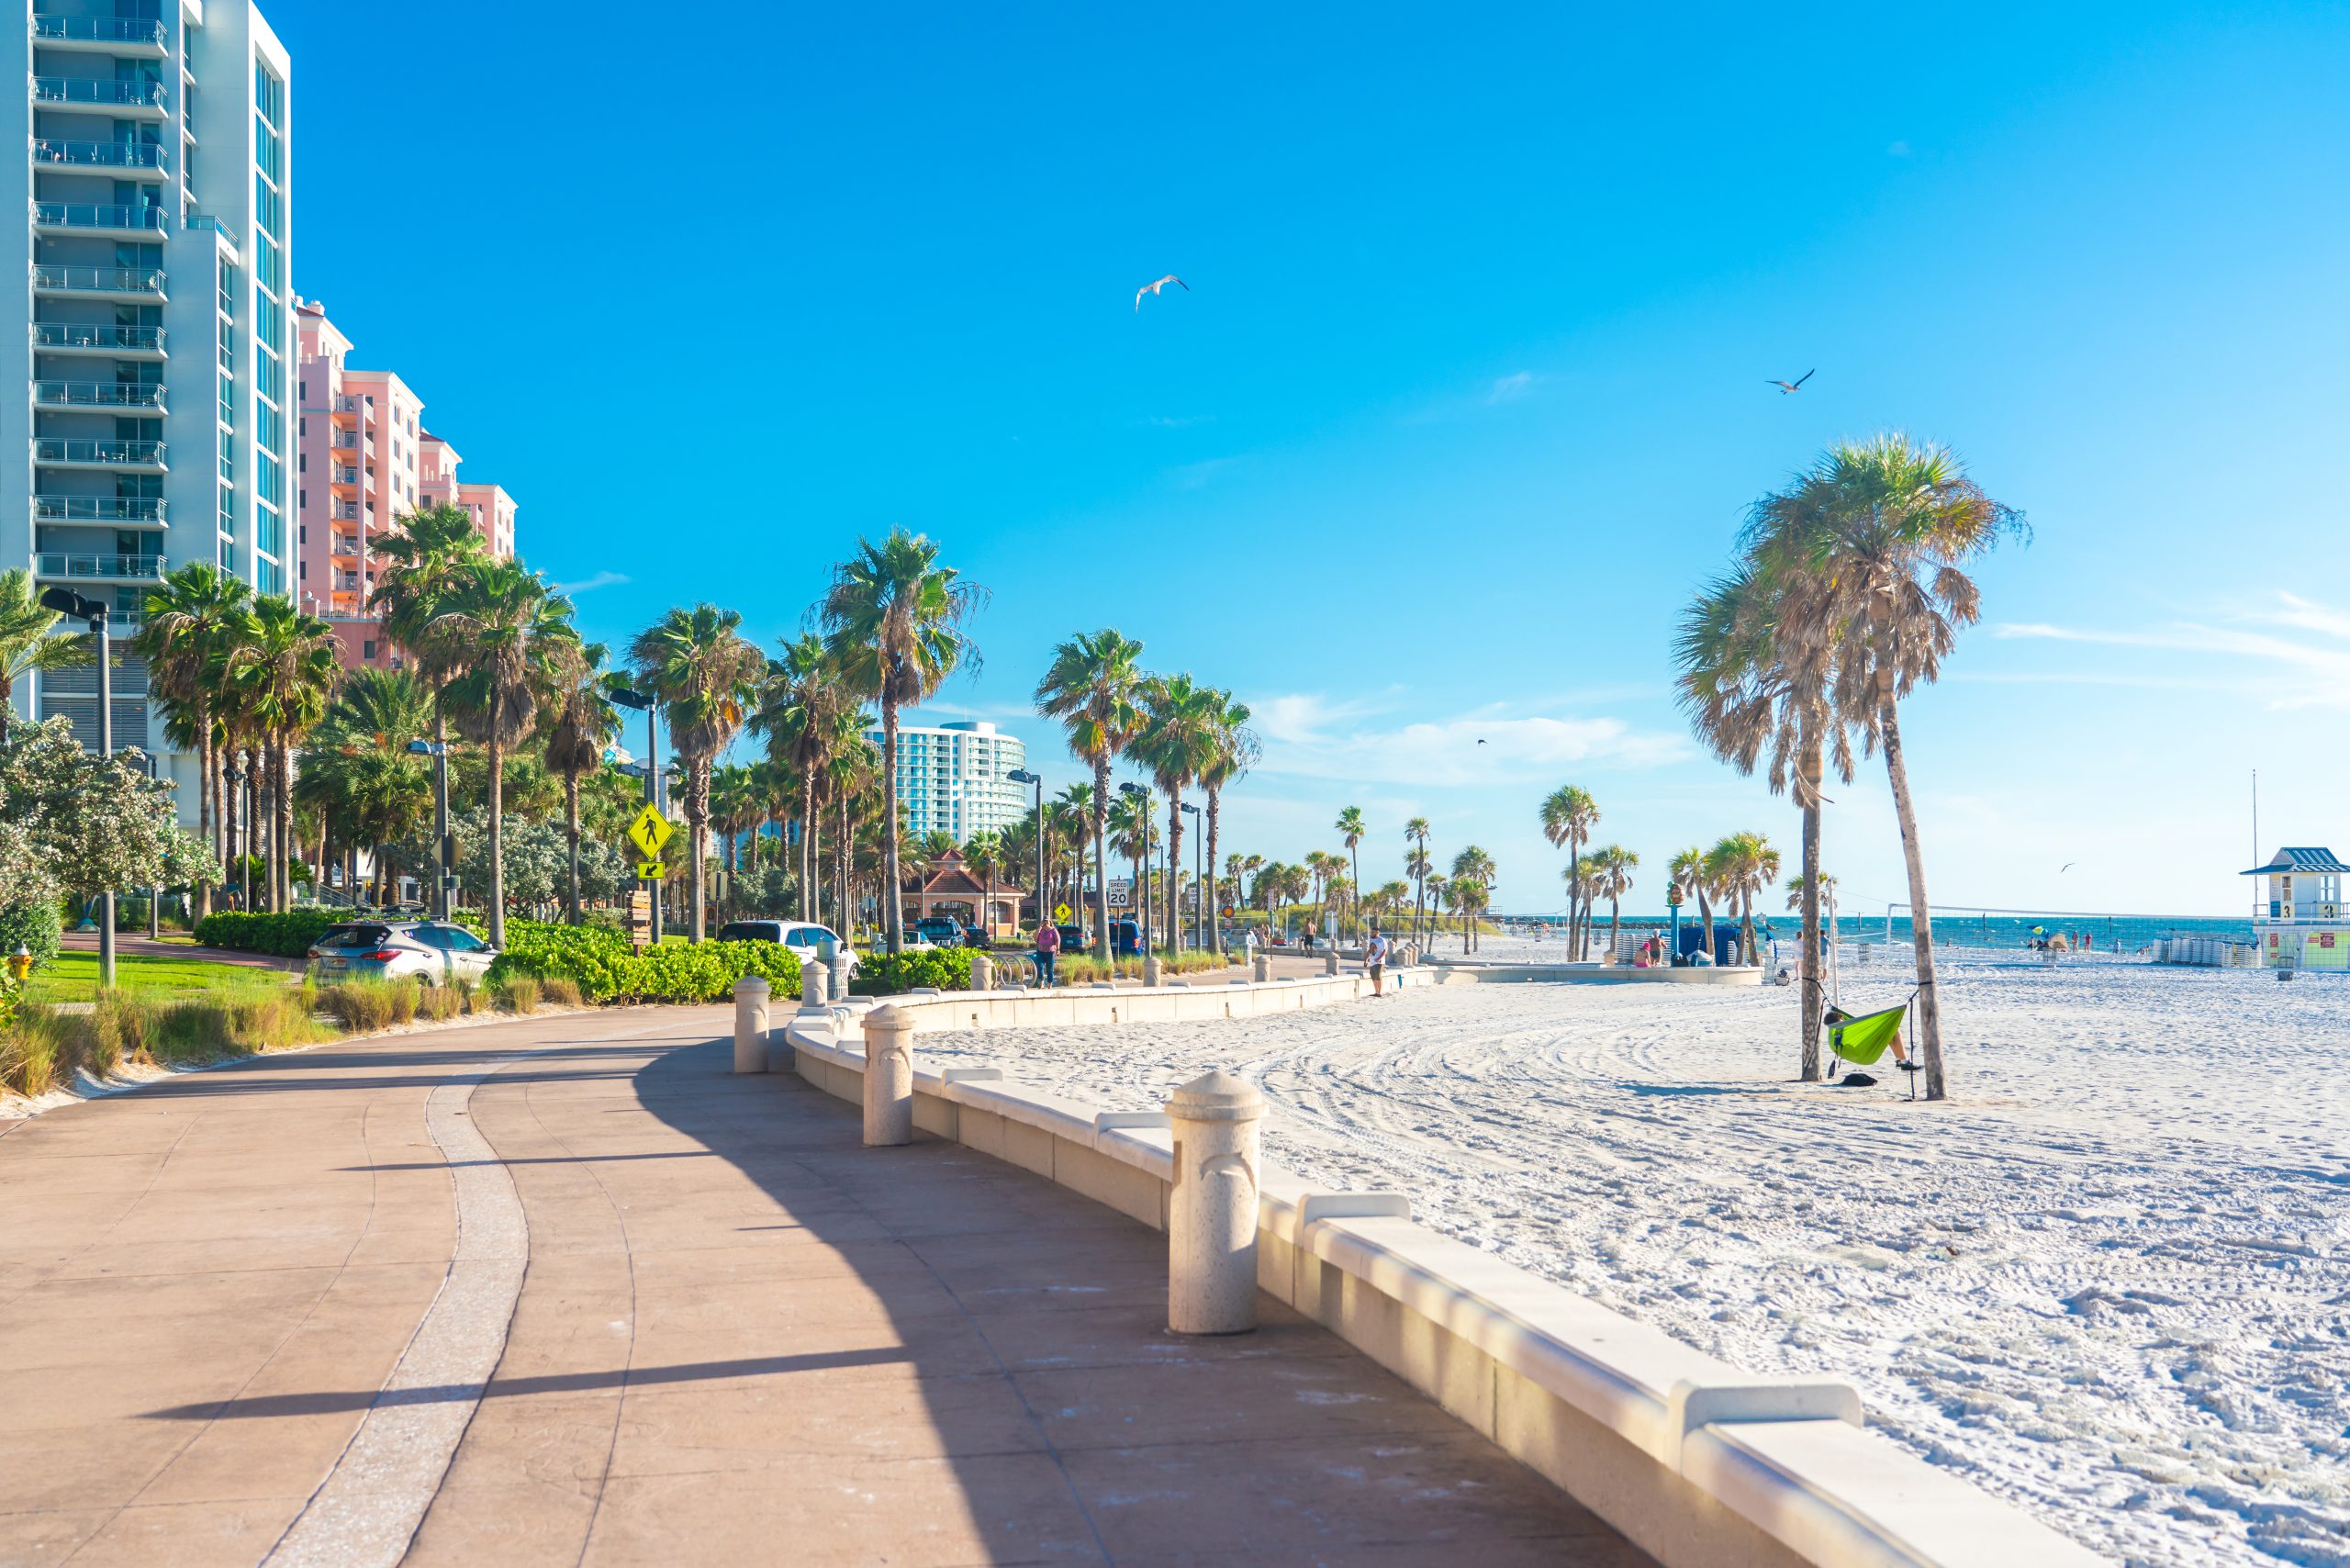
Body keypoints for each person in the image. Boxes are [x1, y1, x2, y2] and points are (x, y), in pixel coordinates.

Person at [1034, 919, 1060, 988]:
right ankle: (1041, 983)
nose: (1045, 922)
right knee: (1040, 967)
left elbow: (1057, 940)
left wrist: (1058, 949)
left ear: (1050, 922)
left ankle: (1050, 983)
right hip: (1040, 951)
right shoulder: (1040, 930)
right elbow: (1035, 938)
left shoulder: (1053, 930)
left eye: (1047, 921)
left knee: (1050, 969)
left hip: (1051, 952)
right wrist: (1039, 927)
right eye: (1044, 921)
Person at [1364, 928, 1389, 997]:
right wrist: (1366, 959)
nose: (1371, 933)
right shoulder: (1371, 940)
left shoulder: (1382, 940)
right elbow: (1370, 950)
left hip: (1379, 962)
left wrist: (1379, 958)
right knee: (1373, 976)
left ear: (1377, 932)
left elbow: (1385, 951)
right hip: (1372, 962)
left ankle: (1379, 993)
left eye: (1373, 932)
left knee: (1378, 975)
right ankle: (1376, 992)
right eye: (1371, 932)